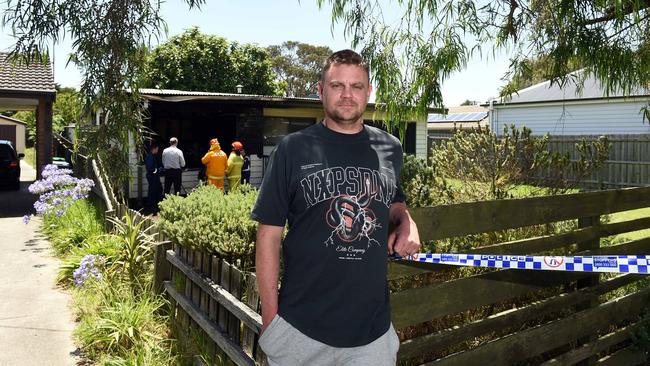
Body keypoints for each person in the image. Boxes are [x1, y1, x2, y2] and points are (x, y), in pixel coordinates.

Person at [251, 49, 421, 366]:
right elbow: (268, 236)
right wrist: (271, 320)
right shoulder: (293, 149)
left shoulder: (390, 147)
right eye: (337, 85)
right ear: (320, 91)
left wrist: (408, 224)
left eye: (356, 86)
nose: (347, 95)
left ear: (368, 92)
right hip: (299, 332)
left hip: (372, 336)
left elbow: (395, 203)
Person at [144, 143, 163, 214]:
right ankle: (151, 207)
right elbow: (151, 168)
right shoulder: (150, 157)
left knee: (156, 190)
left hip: (153, 176)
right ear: (154, 149)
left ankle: (154, 206)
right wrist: (158, 170)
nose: (158, 150)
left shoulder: (151, 156)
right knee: (153, 192)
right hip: (152, 177)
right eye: (157, 149)